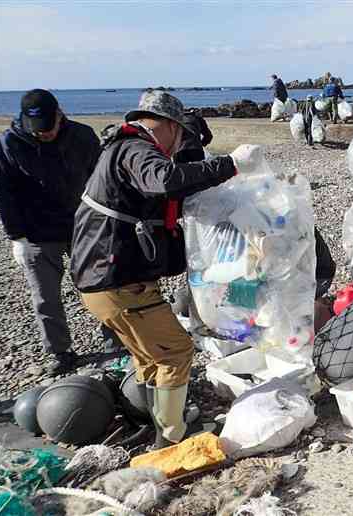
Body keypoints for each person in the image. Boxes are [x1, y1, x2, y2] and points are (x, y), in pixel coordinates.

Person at [70, 90, 257, 449]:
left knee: (149, 357)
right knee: (175, 352)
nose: (178, 145)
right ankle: (172, 438)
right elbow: (165, 180)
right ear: (170, 126)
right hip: (117, 280)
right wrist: (230, 165)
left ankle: (157, 423)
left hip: (100, 280)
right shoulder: (136, 148)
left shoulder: (119, 149)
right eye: (180, 135)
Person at [0, 89, 122, 375]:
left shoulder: (83, 136)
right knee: (45, 295)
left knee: (103, 285)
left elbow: (102, 179)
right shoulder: (10, 144)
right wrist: (16, 236)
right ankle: (60, 352)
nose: (44, 135)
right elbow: (4, 192)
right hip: (36, 232)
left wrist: (107, 221)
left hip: (83, 226)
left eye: (48, 128)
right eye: (37, 131)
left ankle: (115, 342)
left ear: (59, 114)